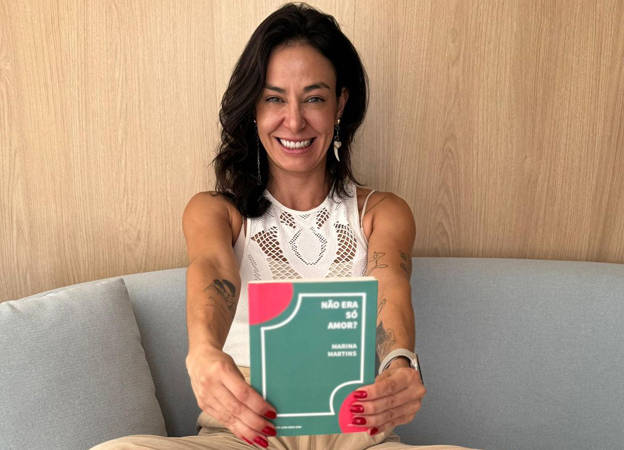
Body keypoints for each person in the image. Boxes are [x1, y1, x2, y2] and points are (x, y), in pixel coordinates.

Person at [94, 3, 477, 450]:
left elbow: (389, 283)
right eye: (274, 98)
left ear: (340, 104)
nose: (294, 121)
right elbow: (213, 269)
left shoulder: (381, 211)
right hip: (245, 435)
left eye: (314, 98)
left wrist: (399, 364)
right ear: (254, 108)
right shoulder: (215, 211)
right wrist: (203, 352)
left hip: (357, 433)